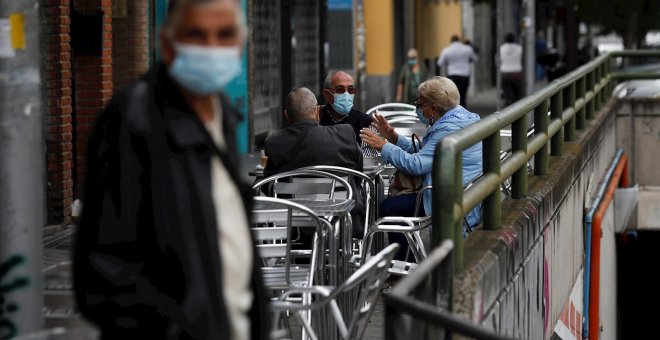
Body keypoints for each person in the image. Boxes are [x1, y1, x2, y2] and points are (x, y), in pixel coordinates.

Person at [73, 0, 268, 339]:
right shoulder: (133, 120)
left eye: (225, 35)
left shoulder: (221, 115)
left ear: (240, 44)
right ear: (168, 43)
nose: (212, 48)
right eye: (196, 34)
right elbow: (105, 272)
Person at [360, 76, 482, 260]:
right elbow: (427, 153)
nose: (417, 108)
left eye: (420, 103)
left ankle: (403, 267)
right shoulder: (462, 117)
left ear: (433, 108)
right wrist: (393, 137)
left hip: (449, 196)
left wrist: (383, 145)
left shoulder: (447, 128)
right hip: (462, 190)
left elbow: (416, 165)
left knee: (388, 208)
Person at [264, 87, 366, 237]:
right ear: (317, 111)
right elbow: (358, 174)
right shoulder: (344, 134)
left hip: (293, 227)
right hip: (342, 223)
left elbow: (268, 187)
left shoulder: (274, 143)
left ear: (287, 115)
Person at [321, 70, 372, 145]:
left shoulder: (365, 122)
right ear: (327, 94)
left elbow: (369, 156)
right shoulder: (316, 118)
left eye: (350, 89)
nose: (346, 94)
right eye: (340, 89)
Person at [437, 35, 478, 108]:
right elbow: (475, 59)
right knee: (463, 95)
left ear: (451, 41)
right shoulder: (467, 49)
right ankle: (463, 111)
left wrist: (448, 61)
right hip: (464, 75)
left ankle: (454, 111)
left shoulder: (446, 50)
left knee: (453, 96)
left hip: (452, 75)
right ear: (459, 41)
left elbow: (440, 63)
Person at [500, 32, 523, 107]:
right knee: (517, 94)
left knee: (507, 92)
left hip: (505, 73)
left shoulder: (502, 48)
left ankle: (507, 104)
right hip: (516, 72)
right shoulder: (519, 48)